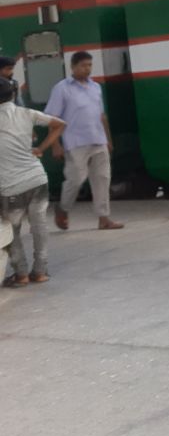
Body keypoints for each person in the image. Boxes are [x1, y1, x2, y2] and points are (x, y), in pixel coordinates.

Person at [46, 51, 123, 231]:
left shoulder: (95, 87)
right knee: (76, 179)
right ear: (73, 67)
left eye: (89, 65)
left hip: (98, 139)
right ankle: (63, 208)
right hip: (75, 142)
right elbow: (53, 119)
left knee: (102, 179)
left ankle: (104, 218)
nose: (87, 69)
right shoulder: (62, 88)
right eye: (83, 65)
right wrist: (55, 145)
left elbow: (101, 116)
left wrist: (108, 139)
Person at [0, 77, 64, 286]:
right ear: (13, 94)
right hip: (37, 179)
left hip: (10, 185)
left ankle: (21, 274)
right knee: (39, 226)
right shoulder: (27, 113)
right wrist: (40, 149)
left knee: (12, 230)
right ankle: (41, 271)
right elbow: (59, 125)